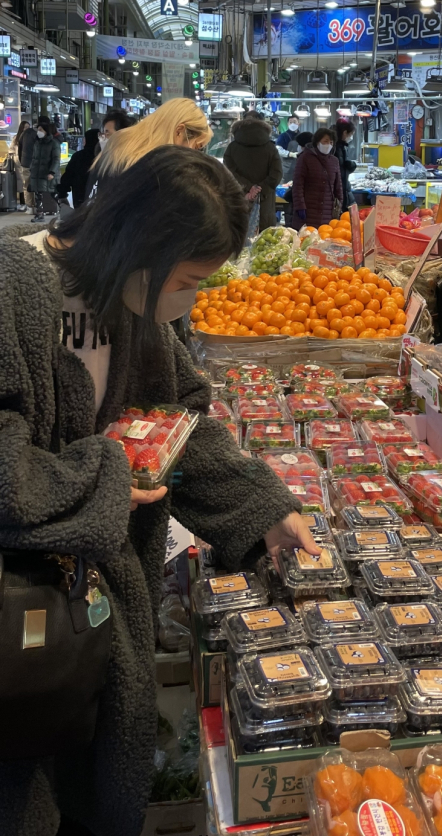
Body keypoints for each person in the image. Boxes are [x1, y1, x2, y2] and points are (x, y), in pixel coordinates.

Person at [0, 147, 319, 836]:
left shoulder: (137, 305)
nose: (193, 300)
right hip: (19, 611)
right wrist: (104, 477)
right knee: (22, 783)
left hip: (104, 604)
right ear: (140, 245)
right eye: (190, 278)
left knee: (94, 781)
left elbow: (179, 428)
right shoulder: (16, 284)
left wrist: (265, 508)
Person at [88, 98, 210, 199]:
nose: (195, 154)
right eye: (197, 147)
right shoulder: (153, 170)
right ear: (179, 132)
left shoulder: (119, 145)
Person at [223, 113, 282, 230]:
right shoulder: (271, 148)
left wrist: (248, 188)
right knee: (265, 242)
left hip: (239, 202)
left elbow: (227, 173)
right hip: (265, 206)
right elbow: (276, 174)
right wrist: (259, 189)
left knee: (238, 240)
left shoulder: (232, 147)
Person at [292, 126, 343, 230]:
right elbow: (298, 185)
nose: (328, 145)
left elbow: (338, 186)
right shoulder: (305, 158)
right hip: (308, 211)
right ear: (317, 141)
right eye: (326, 141)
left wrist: (339, 205)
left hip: (327, 213)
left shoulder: (334, 161)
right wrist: (300, 206)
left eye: (331, 143)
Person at [56, 128, 100, 208]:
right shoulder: (105, 157)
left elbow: (68, 176)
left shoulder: (79, 156)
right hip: (100, 200)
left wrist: (62, 193)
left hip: (80, 198)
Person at [28, 115, 60, 222]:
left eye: (41, 130)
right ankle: (39, 214)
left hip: (47, 173)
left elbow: (56, 159)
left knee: (54, 193)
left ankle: (65, 211)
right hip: (37, 173)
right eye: (38, 129)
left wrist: (52, 172)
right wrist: (31, 169)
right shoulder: (37, 143)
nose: (38, 131)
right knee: (38, 193)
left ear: (46, 131)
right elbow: (34, 158)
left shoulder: (53, 143)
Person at [334, 118, 357, 211]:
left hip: (342, 188)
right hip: (339, 190)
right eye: (351, 134)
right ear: (344, 133)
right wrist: (351, 166)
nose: (351, 137)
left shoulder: (342, 147)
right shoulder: (337, 148)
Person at [19, 119, 38, 211]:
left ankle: (30, 206)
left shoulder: (22, 135)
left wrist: (21, 161)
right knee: (36, 184)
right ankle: (36, 205)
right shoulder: (36, 134)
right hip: (34, 164)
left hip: (25, 163)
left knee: (27, 185)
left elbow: (19, 149)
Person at [276, 116, 301, 183]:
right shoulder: (283, 136)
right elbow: (278, 149)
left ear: (299, 123)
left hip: (300, 168)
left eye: (294, 122)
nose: (292, 124)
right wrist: (290, 154)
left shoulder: (302, 136)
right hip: (287, 169)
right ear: (288, 124)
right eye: (290, 122)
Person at [11, 119, 30, 209]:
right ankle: (23, 203)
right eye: (25, 127)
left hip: (27, 163)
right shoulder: (16, 138)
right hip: (18, 163)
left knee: (27, 183)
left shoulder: (30, 137)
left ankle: (28, 203)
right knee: (21, 184)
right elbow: (11, 150)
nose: (27, 129)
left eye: (28, 127)